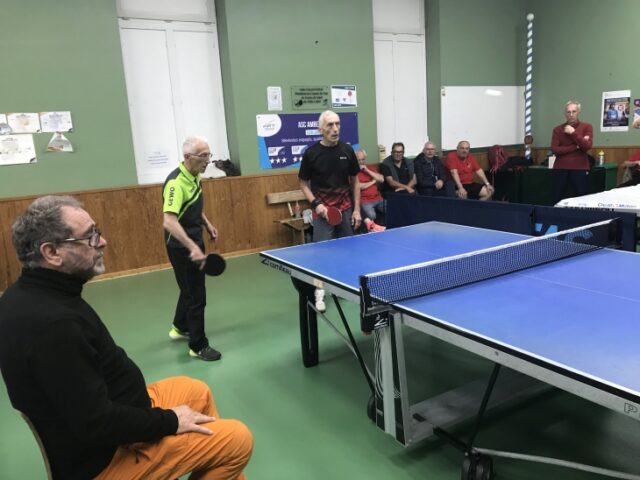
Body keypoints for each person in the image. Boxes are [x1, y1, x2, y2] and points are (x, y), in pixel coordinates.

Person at [0, 195, 253, 480]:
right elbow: (97, 423)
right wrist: (169, 421)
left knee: (196, 391)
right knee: (237, 440)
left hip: (120, 413)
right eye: (90, 236)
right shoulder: (54, 326)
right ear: (52, 252)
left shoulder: (28, 295)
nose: (102, 242)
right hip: (107, 457)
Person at [163, 136, 222, 361]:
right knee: (196, 295)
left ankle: (180, 326)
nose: (208, 160)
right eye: (203, 156)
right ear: (188, 157)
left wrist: (207, 224)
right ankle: (198, 346)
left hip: (194, 241)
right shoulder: (176, 183)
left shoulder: (194, 175)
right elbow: (169, 221)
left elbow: (192, 205)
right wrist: (192, 248)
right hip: (181, 246)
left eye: (209, 155)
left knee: (188, 288)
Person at [299, 110, 361, 311]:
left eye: (337, 124)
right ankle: (319, 293)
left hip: (345, 208)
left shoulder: (347, 150)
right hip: (322, 211)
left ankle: (345, 288)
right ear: (321, 129)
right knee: (322, 255)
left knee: (348, 251)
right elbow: (303, 184)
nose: (335, 129)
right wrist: (316, 205)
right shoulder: (311, 154)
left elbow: (355, 181)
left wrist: (357, 210)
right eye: (330, 125)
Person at [550, 100, 593, 204]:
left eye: (574, 111)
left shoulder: (587, 127)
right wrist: (576, 146)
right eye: (568, 112)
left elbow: (587, 146)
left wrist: (573, 132)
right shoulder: (557, 129)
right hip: (560, 167)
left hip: (580, 168)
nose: (571, 114)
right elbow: (555, 149)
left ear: (579, 112)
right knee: (557, 197)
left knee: (581, 198)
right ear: (565, 113)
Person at [356, 148, 385, 232]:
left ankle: (387, 229)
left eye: (363, 159)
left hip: (378, 198)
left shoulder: (370, 168)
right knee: (371, 215)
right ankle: (372, 232)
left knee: (392, 207)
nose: (361, 162)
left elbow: (381, 179)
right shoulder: (353, 171)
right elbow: (359, 186)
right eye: (359, 160)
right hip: (365, 201)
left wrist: (367, 170)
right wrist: (373, 181)